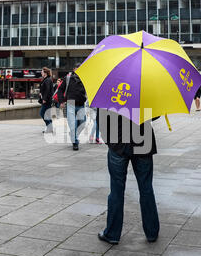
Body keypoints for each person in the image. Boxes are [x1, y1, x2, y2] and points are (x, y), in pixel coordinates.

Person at [97, 110, 160, 245]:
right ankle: (152, 232)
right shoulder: (146, 90)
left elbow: (101, 119)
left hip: (118, 141)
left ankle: (113, 234)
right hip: (143, 140)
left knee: (116, 189)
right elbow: (156, 114)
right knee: (146, 188)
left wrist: (109, 140)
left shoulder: (109, 90)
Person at [58, 63, 87, 151]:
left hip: (81, 104)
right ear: (74, 69)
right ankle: (75, 143)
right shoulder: (68, 78)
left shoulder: (85, 79)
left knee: (82, 123)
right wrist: (62, 101)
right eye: (78, 68)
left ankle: (74, 135)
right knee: (72, 124)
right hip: (70, 103)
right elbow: (60, 89)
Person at [39, 67, 54, 133]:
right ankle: (50, 128)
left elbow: (47, 90)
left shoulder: (47, 80)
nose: (41, 73)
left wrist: (44, 98)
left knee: (42, 113)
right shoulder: (46, 79)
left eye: (42, 72)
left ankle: (49, 126)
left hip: (47, 100)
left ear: (45, 73)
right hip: (47, 100)